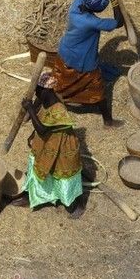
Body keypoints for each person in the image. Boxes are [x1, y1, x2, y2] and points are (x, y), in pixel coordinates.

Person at [53, 0, 124, 127]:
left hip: (64, 53)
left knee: (60, 79)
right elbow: (119, 22)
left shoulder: (77, 3)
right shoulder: (92, 22)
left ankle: (57, 97)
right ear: (97, 10)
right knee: (98, 92)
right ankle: (108, 121)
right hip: (83, 61)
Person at [20, 70, 85, 219]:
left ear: (46, 90)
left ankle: (76, 203)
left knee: (62, 175)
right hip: (48, 144)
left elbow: (42, 130)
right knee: (40, 167)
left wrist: (30, 109)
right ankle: (34, 195)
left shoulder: (59, 110)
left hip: (61, 148)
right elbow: (41, 122)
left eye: (37, 90)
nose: (35, 93)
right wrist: (32, 133)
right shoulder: (45, 100)